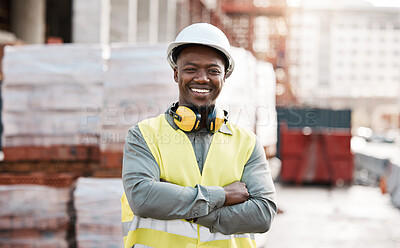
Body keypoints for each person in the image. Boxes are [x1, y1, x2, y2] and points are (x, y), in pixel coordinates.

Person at [121, 23, 277, 248]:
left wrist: (184, 209)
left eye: (213, 71)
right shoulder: (143, 136)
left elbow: (263, 213)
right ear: (176, 74)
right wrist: (222, 195)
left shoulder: (247, 143)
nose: (202, 78)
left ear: (225, 77)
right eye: (191, 69)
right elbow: (143, 198)